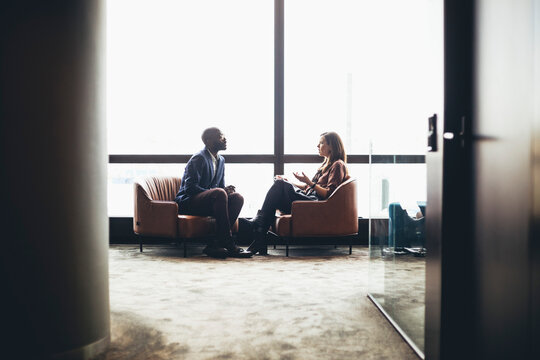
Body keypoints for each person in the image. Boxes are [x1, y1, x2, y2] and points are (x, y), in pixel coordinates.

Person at [245, 131, 349, 254]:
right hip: (309, 198)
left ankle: (259, 228)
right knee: (280, 184)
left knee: (279, 186)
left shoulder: (338, 165)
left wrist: (309, 183)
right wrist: (292, 182)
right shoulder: (326, 164)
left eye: (321, 143)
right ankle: (260, 238)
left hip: (315, 204)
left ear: (332, 146)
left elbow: (328, 193)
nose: (317, 146)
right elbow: (307, 187)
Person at [175, 127, 252, 258]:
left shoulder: (221, 160)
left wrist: (226, 190)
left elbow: (219, 187)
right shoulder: (199, 158)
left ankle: (215, 244)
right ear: (208, 141)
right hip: (189, 202)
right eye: (220, 136)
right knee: (219, 193)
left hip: (210, 201)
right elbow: (190, 188)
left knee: (237, 197)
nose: (225, 139)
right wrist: (218, 192)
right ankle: (228, 242)